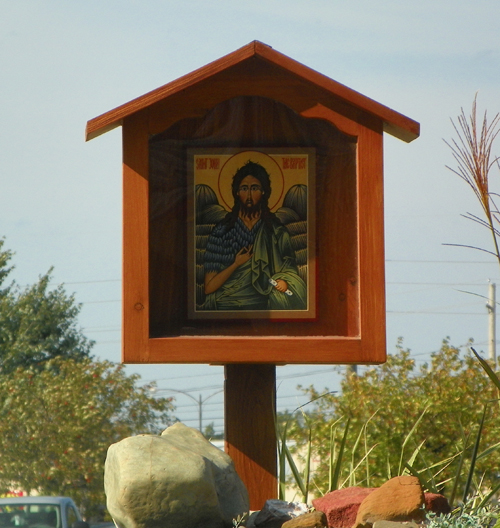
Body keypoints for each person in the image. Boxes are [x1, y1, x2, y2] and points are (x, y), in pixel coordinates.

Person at [202, 160, 307, 311]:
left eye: (255, 188)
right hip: (227, 303)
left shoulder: (276, 231)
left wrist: (284, 280)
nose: (249, 195)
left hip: (265, 302)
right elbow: (209, 288)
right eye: (244, 188)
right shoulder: (221, 232)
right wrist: (236, 264)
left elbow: (289, 267)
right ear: (237, 192)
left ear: (264, 191)